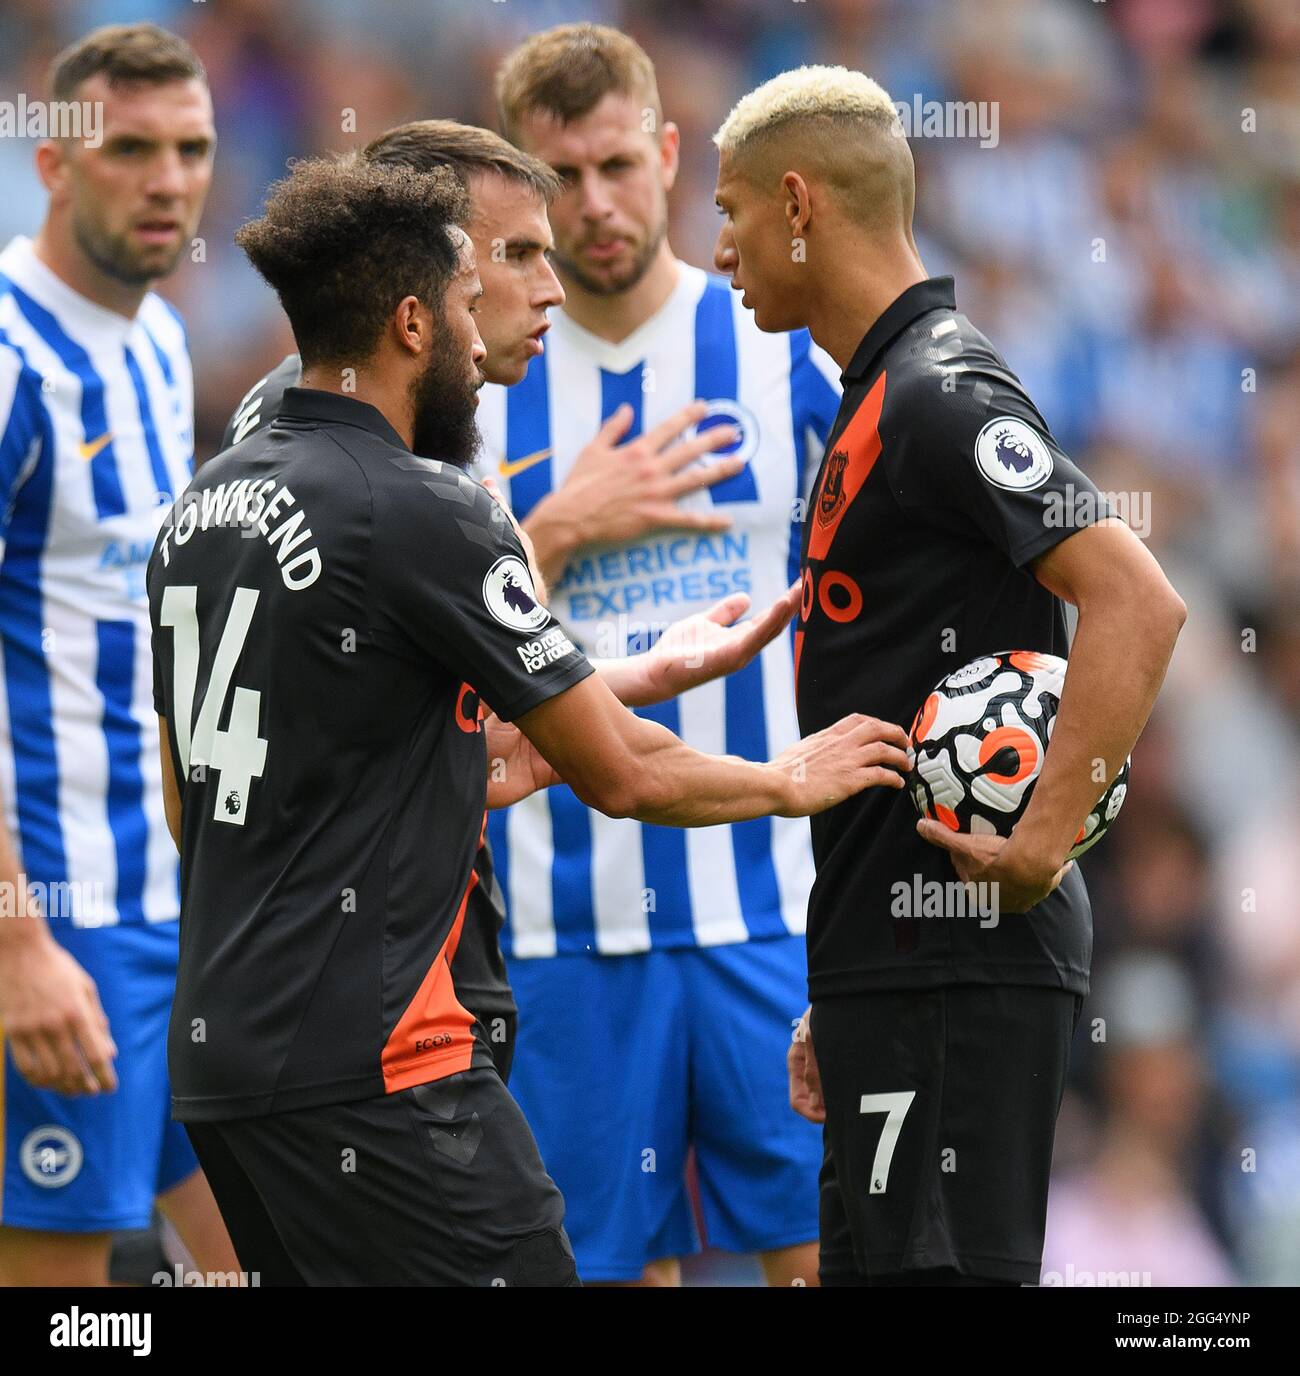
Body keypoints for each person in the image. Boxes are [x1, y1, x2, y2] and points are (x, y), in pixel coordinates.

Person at [148, 153, 910, 1286]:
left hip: (225, 1066)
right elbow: (622, 778)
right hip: (385, 1066)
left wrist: (609, 687)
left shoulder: (200, 504)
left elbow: (199, 796)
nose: (505, 310)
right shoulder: (426, 506)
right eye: (477, 291)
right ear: (413, 320)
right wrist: (784, 777)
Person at [711, 65, 1187, 1286]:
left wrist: (1042, 832)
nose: (720, 248)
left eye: (732, 211)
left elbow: (1136, 596)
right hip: (901, 959)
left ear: (801, 202)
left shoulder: (938, 390)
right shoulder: (871, 397)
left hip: (964, 960)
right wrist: (853, 966)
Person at [220, 119, 785, 1086]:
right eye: (517, 254)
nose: (550, 287)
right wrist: (789, 780)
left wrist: (627, 673)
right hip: (366, 987)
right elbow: (611, 770)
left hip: (349, 959)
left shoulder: (329, 421)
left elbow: (380, 714)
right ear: (433, 259)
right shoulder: (360, 447)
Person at [478, 22, 842, 1287]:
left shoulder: (781, 347)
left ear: (670, 153)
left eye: (618, 164)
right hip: (565, 925)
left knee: (816, 1254)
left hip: (767, 904)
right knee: (605, 1267)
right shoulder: (474, 391)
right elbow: (413, 624)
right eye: (560, 177)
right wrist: (556, 529)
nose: (596, 203)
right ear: (524, 189)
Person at [0, 23, 236, 1287]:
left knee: (256, 1259)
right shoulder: (9, 363)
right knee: (64, 1292)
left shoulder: (155, 344)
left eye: (190, 149)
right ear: (53, 161)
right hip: (60, 919)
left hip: (171, 908)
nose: (167, 179)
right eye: (129, 148)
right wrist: (16, 943)